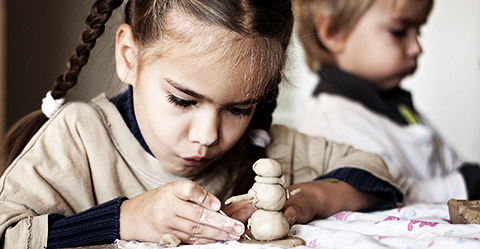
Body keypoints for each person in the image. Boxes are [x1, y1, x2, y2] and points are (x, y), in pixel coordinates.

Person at [0, 0, 402, 248]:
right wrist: (127, 219)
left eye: (239, 108)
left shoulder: (263, 147)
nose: (208, 135)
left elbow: (377, 173)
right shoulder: (80, 136)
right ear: (128, 56)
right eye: (182, 99)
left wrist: (310, 199)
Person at [293, 0, 480, 204]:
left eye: (419, 31)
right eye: (399, 31)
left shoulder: (398, 106)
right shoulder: (331, 124)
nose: (417, 48)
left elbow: (454, 165)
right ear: (333, 31)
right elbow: (386, 192)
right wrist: (466, 184)